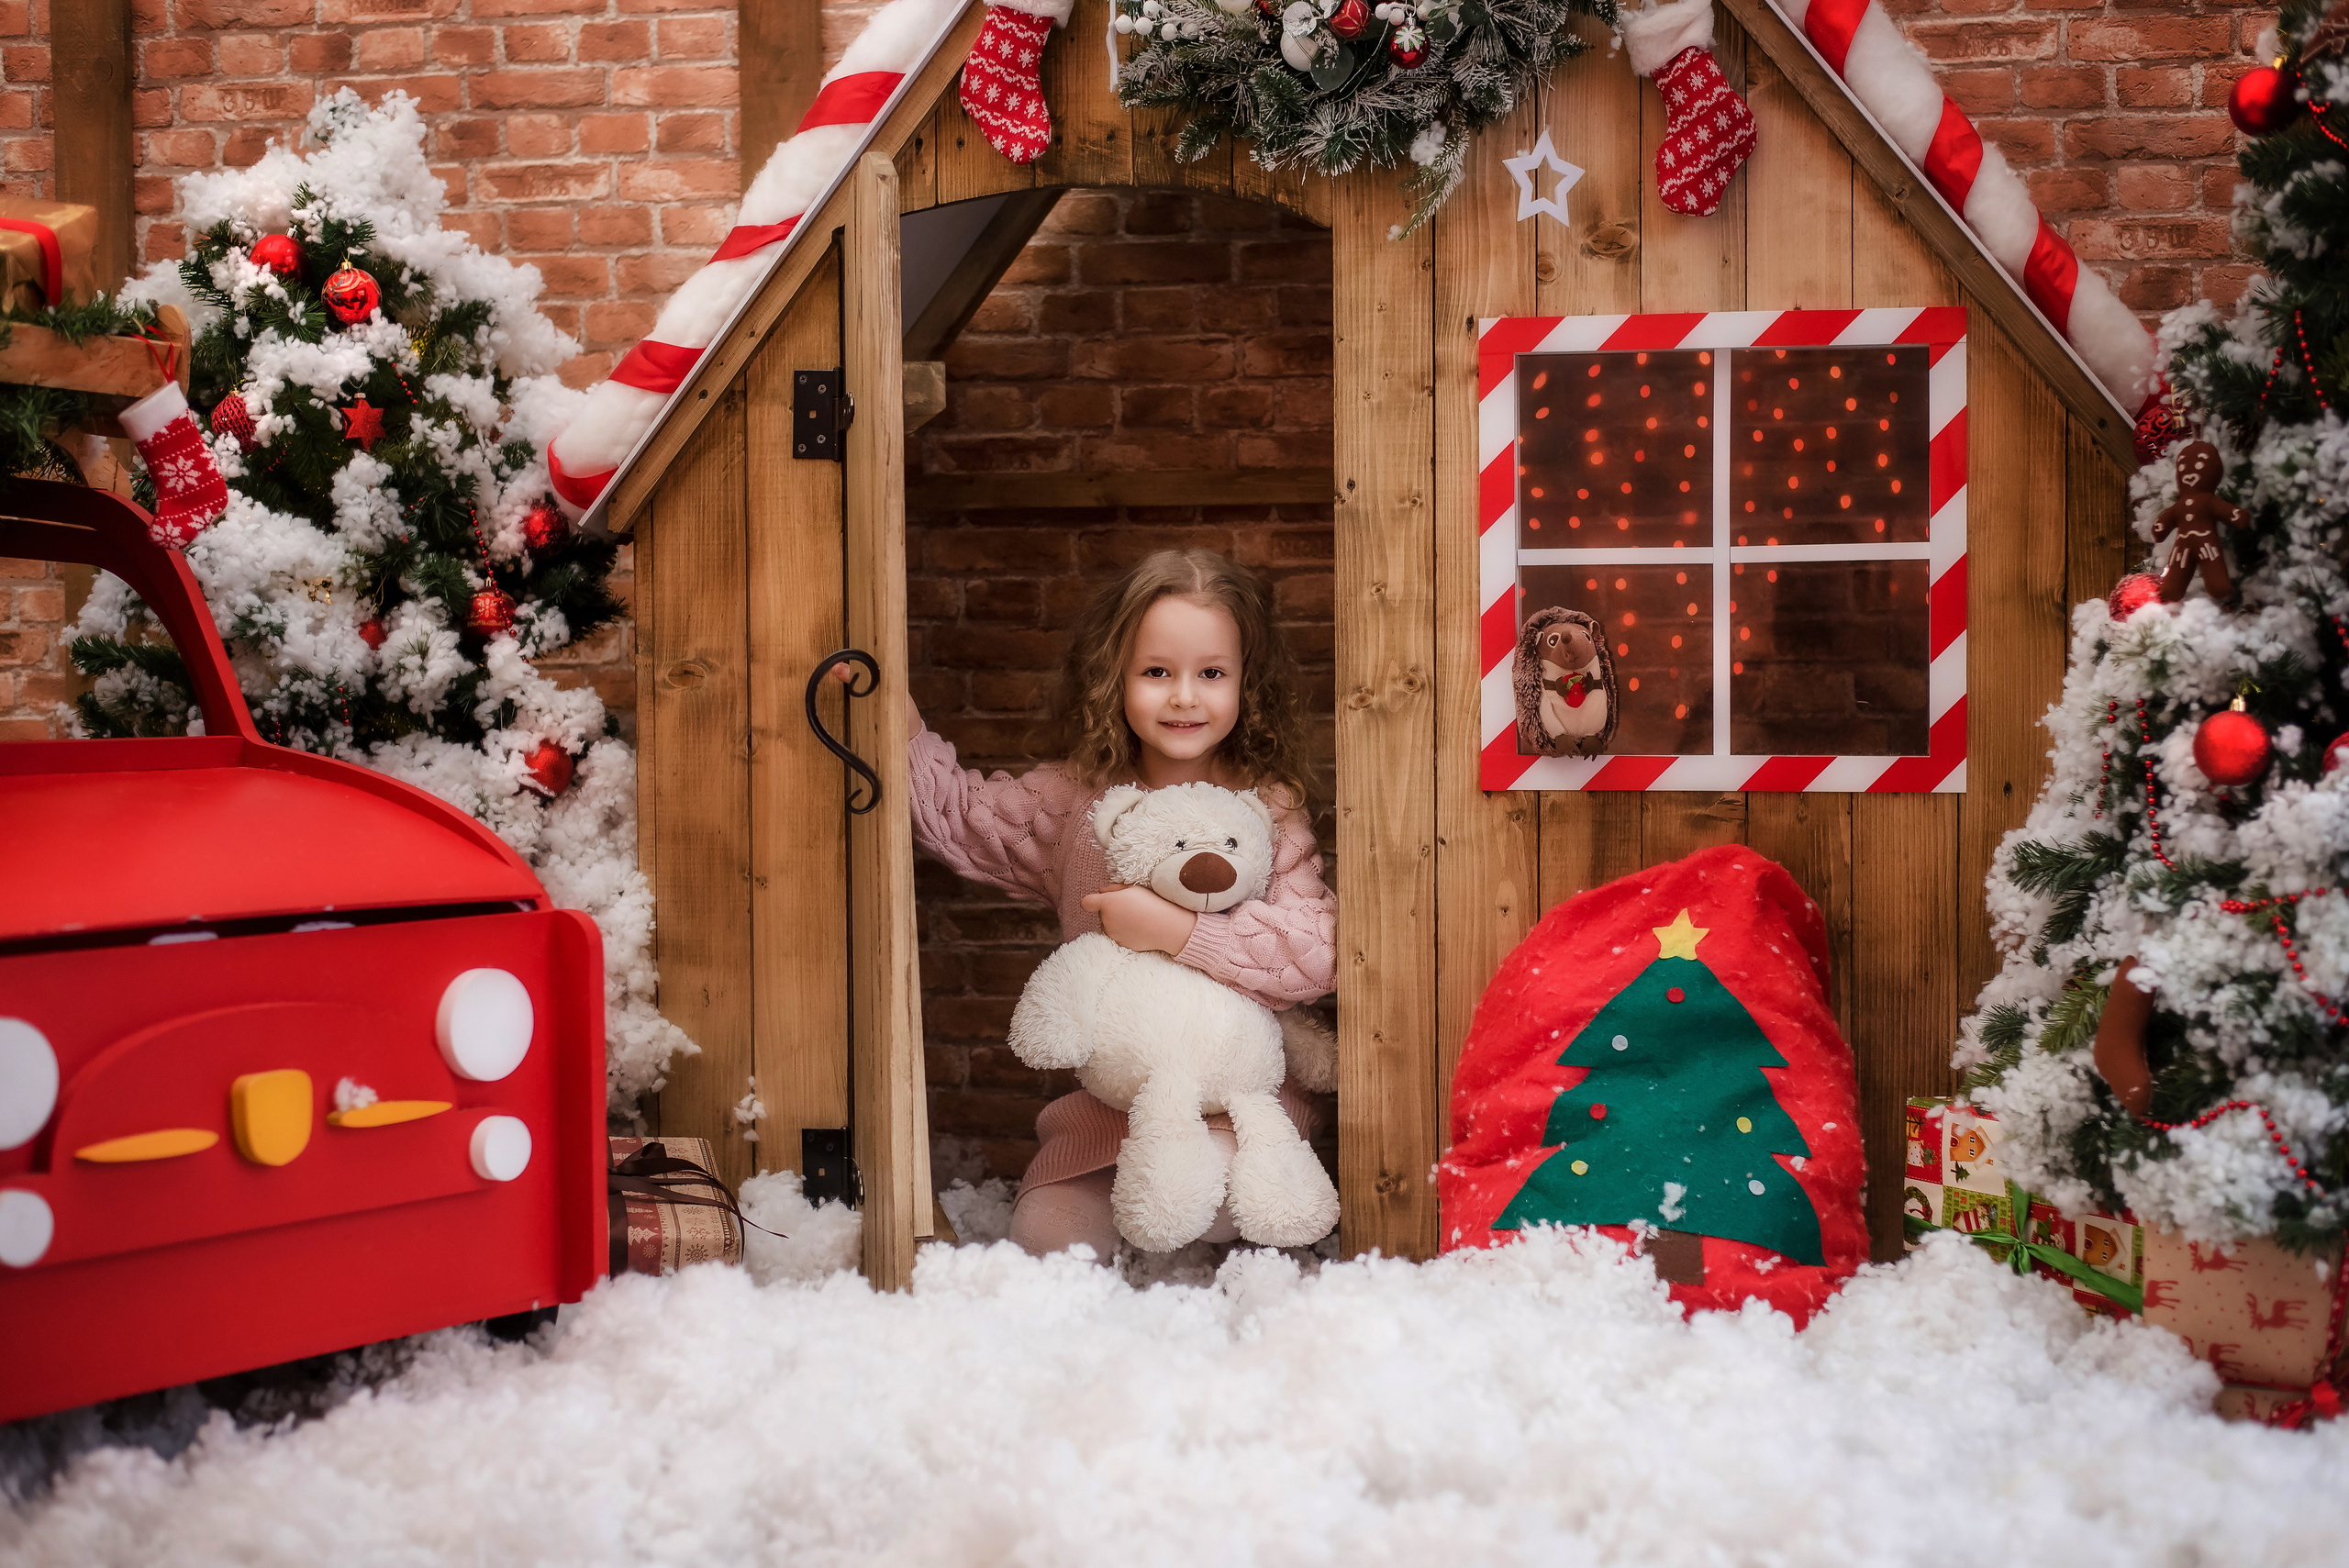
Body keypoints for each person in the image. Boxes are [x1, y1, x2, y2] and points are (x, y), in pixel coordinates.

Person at [850, 548, 1335, 1258]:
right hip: (1115, 1110)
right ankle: (1146, 1233)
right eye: (1156, 672)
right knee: (1047, 1239)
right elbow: (959, 817)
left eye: (1211, 674)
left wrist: (1177, 931)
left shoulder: (1268, 807)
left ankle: (1187, 1243)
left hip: (1239, 1108)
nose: (1184, 697)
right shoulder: (1077, 799)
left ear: (1245, 683)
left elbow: (1313, 955)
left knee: (1218, 1197)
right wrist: (891, 705)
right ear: (1116, 678)